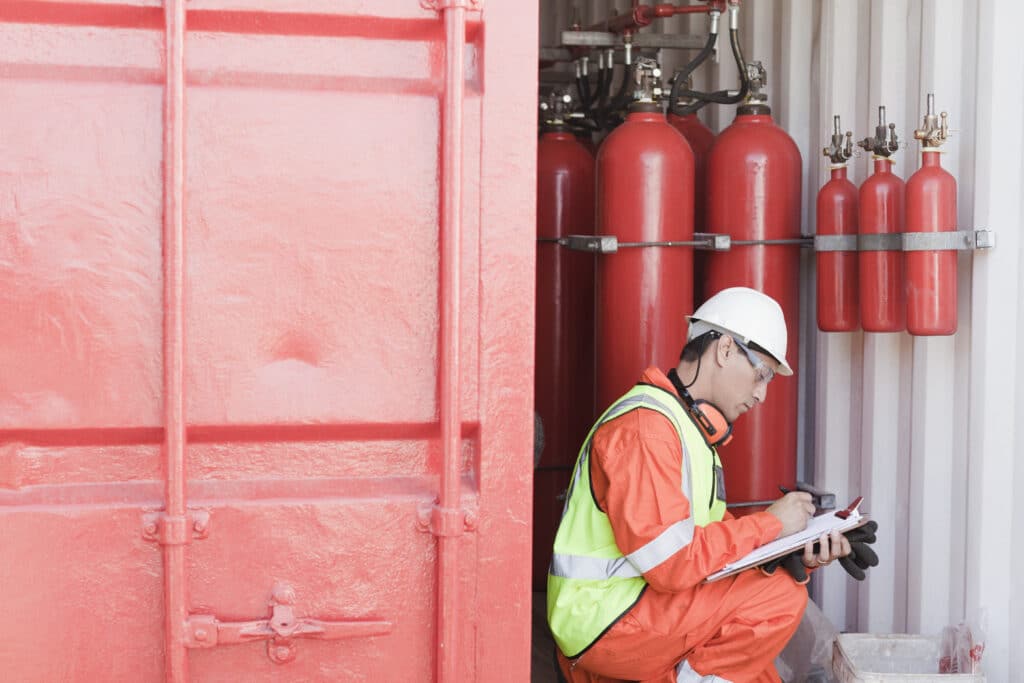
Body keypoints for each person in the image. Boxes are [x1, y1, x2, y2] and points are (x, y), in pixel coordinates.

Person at [547, 287, 872, 682]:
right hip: (602, 622)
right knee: (780, 598)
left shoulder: (691, 434)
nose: (761, 393)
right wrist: (770, 525)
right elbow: (672, 564)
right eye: (762, 373)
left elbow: (708, 554)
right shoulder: (646, 429)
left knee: (760, 671)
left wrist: (789, 551)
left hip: (638, 610)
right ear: (724, 351)